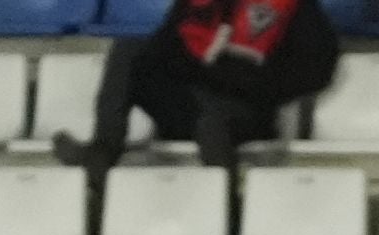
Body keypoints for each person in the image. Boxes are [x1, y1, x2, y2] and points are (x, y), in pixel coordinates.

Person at [53, 0, 338, 178]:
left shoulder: (295, 6)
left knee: (213, 122)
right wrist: (194, 65)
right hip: (190, 101)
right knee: (129, 50)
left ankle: (228, 212)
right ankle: (103, 150)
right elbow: (166, 47)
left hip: (246, 109)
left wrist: (253, 83)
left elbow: (317, 69)